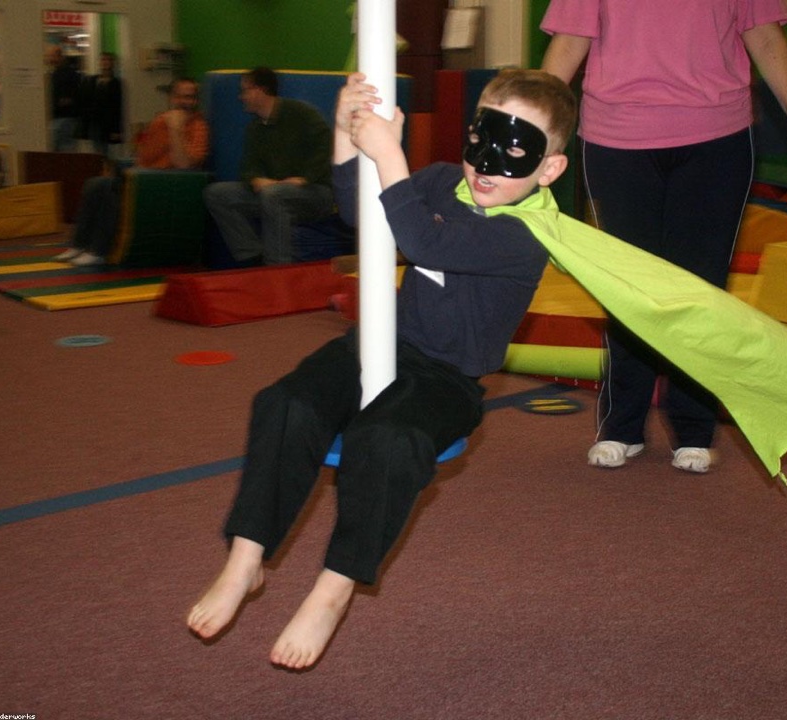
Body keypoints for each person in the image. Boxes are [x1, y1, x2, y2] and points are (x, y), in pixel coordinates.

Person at [187, 68, 575, 670]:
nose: (487, 166)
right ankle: (245, 559)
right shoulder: (447, 179)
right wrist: (349, 135)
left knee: (386, 442)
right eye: (482, 141)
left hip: (447, 379)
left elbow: (426, 244)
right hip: (378, 343)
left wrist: (391, 153)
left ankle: (334, 587)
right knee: (284, 403)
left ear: (548, 169)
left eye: (514, 151)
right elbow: (362, 213)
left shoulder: (531, 234)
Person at [541, 0, 787, 474]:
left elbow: (765, 36)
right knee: (627, 288)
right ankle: (620, 426)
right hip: (619, 138)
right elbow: (569, 42)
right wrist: (536, 124)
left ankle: (694, 427)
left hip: (716, 137)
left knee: (702, 287)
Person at [55, 77, 209, 266]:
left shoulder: (198, 125)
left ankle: (99, 250)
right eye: (181, 97)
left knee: (115, 187)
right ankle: (79, 244)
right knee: (95, 183)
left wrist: (176, 128)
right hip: (149, 177)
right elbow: (143, 157)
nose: (186, 102)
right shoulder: (161, 121)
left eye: (191, 97)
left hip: (173, 184)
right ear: (172, 98)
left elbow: (185, 164)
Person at [202, 67, 334, 266]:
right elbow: (249, 167)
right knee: (217, 193)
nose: (241, 96)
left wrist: (305, 178)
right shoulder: (255, 128)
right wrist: (256, 180)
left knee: (274, 195)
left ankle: (278, 267)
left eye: (245, 90)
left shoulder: (301, 114)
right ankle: (251, 255)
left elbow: (327, 146)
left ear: (260, 90)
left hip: (314, 194)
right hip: (274, 192)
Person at [80, 52, 124, 158]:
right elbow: (87, 101)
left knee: (108, 154)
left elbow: (117, 107)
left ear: (113, 63)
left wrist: (116, 129)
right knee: (97, 153)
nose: (105, 62)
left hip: (108, 123)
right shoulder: (92, 80)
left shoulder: (115, 83)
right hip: (94, 123)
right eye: (103, 60)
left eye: (108, 60)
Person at [47, 46, 81, 152]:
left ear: (59, 56)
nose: (49, 59)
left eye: (51, 56)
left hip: (66, 119)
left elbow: (76, 95)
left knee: (65, 151)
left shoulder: (69, 74)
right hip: (59, 118)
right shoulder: (56, 73)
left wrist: (66, 100)